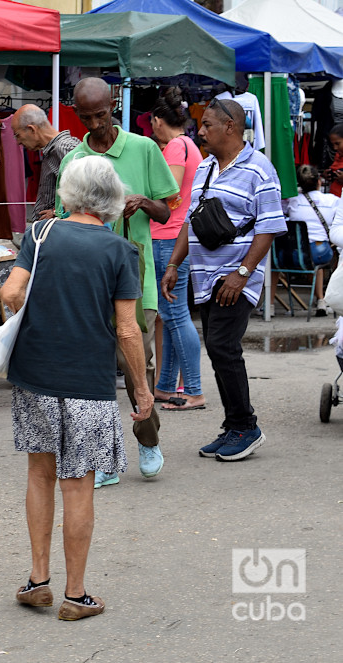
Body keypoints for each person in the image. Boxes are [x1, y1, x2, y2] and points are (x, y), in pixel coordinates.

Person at [2, 155, 153, 621]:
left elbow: (10, 295)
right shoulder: (119, 252)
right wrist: (143, 391)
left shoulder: (40, 236)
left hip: (35, 374)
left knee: (40, 474)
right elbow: (128, 331)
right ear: (112, 199)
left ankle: (37, 580)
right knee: (79, 484)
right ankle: (76, 594)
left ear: (67, 192)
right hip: (88, 381)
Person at [56, 77, 178, 486]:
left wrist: (142, 202)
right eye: (86, 118)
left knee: (135, 363)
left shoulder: (143, 149)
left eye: (101, 114)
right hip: (87, 277)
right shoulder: (74, 160)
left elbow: (168, 211)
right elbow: (62, 218)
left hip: (134, 271)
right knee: (92, 370)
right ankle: (103, 456)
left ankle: (147, 438)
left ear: (115, 105)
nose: (95, 124)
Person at [161, 99, 285, 462]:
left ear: (230, 127)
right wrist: (173, 264)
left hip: (235, 276)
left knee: (222, 346)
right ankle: (234, 426)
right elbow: (190, 220)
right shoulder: (206, 167)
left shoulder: (260, 169)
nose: (201, 131)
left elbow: (270, 227)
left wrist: (243, 274)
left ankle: (246, 427)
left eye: (208, 125)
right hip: (204, 276)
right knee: (217, 349)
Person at [148, 87, 205, 411]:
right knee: (171, 314)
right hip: (176, 237)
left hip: (168, 237)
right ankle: (166, 386)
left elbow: (169, 195)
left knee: (175, 314)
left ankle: (194, 389)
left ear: (158, 121)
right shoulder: (190, 145)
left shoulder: (175, 147)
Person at [279, 164, 337, 315]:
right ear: (319, 181)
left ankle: (269, 305)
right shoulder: (331, 201)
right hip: (319, 253)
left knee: (273, 263)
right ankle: (321, 300)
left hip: (292, 257)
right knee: (318, 257)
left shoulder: (292, 201)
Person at [9, 104, 79, 223]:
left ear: (32, 129)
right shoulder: (53, 150)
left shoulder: (64, 149)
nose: (18, 142)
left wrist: (56, 212)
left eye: (18, 135)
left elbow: (85, 194)